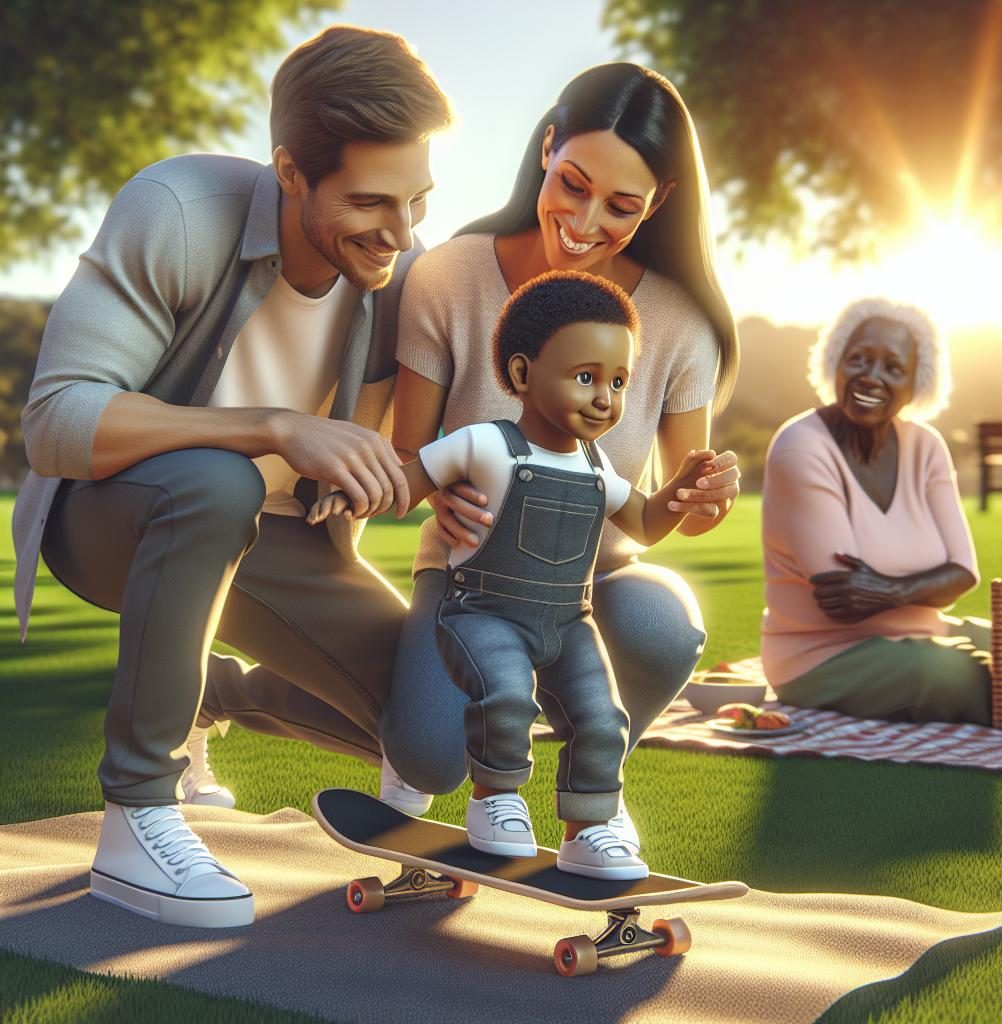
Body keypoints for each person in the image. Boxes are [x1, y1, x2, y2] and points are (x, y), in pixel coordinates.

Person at [12, 25, 452, 927]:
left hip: (272, 539)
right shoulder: (176, 207)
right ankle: (137, 812)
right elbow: (55, 424)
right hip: (117, 518)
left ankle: (216, 690)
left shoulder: (396, 271)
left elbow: (360, 454)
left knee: (439, 734)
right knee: (219, 481)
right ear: (290, 173)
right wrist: (274, 429)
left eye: (418, 202)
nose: (402, 235)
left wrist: (347, 491)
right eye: (372, 202)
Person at [378, 63, 742, 846]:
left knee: (663, 627)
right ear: (547, 147)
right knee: (431, 757)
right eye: (573, 183)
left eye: (621, 206)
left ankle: (592, 800)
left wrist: (700, 497)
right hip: (470, 577)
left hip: (592, 578)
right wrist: (435, 490)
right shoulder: (448, 276)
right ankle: (456, 751)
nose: (583, 221)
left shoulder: (681, 325)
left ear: (660, 203)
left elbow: (662, 513)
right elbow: (403, 460)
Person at [310, 271, 716, 879]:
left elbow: (646, 524)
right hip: (481, 614)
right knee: (505, 698)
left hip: (567, 621)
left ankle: (588, 828)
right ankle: (493, 801)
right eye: (586, 378)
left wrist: (679, 493)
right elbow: (406, 481)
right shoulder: (484, 445)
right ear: (523, 376)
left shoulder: (595, 463)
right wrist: (351, 497)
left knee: (601, 716)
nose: (605, 397)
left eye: (619, 381)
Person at [760, 297, 991, 725]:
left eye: (893, 368)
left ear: (918, 382)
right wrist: (927, 586)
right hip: (823, 657)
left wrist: (887, 589)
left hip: (921, 632)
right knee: (964, 674)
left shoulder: (927, 447)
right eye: (859, 360)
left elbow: (963, 572)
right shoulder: (801, 447)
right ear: (836, 362)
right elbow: (843, 599)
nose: (871, 378)